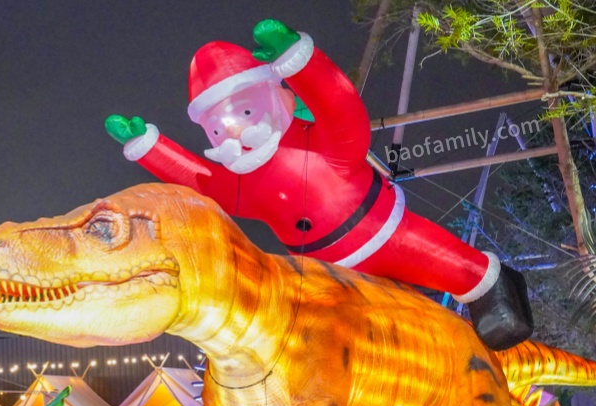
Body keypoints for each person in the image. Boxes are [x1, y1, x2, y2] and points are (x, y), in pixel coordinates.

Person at [105, 19, 533, 350]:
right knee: (359, 336)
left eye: (245, 114)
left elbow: (341, 107)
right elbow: (202, 181)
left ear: (277, 98)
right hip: (327, 272)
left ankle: (490, 285)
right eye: (219, 129)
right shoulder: (242, 184)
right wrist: (150, 148)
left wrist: (301, 62)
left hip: (386, 232)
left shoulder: (320, 142)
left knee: (448, 264)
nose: (233, 132)